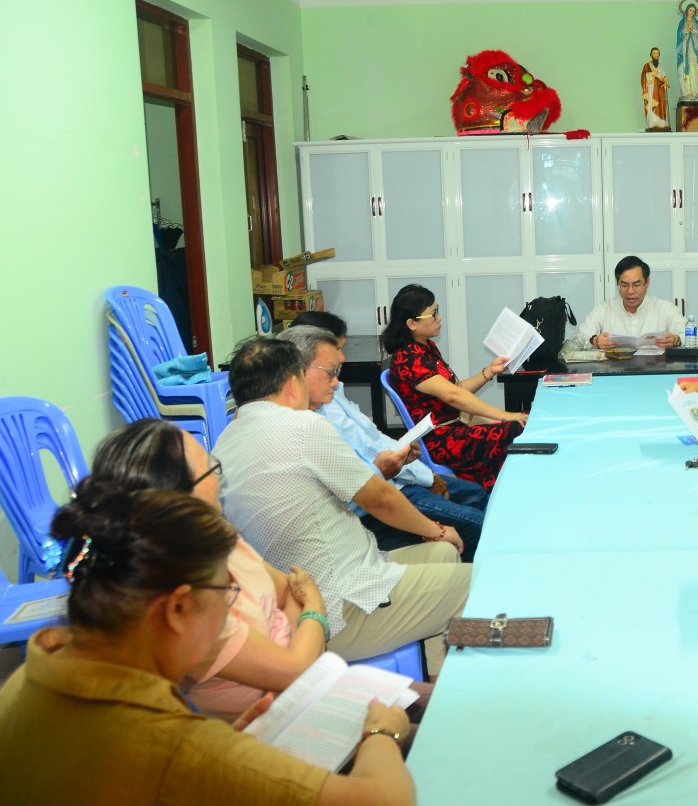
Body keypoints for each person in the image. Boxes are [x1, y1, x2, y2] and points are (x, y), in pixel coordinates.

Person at [0, 481, 416, 806]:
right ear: (178, 608)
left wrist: (230, 746)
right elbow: (385, 799)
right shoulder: (171, 747)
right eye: (226, 593)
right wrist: (381, 733)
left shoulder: (33, 674)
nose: (230, 603)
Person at [215, 336, 471, 662]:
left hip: (299, 604)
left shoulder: (225, 441)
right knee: (477, 583)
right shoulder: (304, 426)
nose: (333, 383)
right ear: (293, 383)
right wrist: (436, 529)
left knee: (444, 554)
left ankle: (433, 677)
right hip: (340, 607)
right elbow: (378, 498)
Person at [89, 418, 327, 721]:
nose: (219, 479)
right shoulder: (186, 602)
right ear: (180, 498)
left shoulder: (219, 536)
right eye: (210, 470)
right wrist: (314, 609)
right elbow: (296, 664)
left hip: (296, 696)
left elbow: (286, 591)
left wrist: (291, 659)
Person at [281, 322, 487, 561]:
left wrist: (412, 466)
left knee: (477, 496)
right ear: (296, 373)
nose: (336, 380)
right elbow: (360, 497)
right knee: (478, 526)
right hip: (374, 507)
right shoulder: (306, 428)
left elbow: (373, 439)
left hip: (393, 482)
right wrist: (432, 515)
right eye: (331, 371)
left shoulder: (328, 399)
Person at [384, 284, 529, 491]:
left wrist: (489, 371)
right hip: (441, 440)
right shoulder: (409, 359)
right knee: (516, 428)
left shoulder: (425, 347)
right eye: (433, 314)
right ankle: (505, 492)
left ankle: (502, 490)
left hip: (455, 427)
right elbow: (453, 396)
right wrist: (504, 415)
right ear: (412, 323)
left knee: (523, 422)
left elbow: (456, 389)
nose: (439, 318)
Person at [573, 256, 686, 349]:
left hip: (655, 368)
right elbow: (576, 339)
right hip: (614, 368)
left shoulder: (665, 309)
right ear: (618, 284)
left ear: (647, 283)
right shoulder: (603, 310)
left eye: (636, 285)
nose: (630, 291)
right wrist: (595, 341)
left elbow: (692, 338)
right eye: (624, 285)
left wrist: (676, 340)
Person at [676, 0, 698, 99]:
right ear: (687, 10)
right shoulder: (682, 23)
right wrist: (686, 31)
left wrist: (694, 32)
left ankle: (696, 91)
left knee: (696, 67)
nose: (692, 12)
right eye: (690, 10)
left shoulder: (696, 23)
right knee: (685, 65)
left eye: (693, 11)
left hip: (695, 47)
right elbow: (679, 35)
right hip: (685, 47)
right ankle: (687, 92)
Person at [641, 47, 669, 131]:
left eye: (657, 53)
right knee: (652, 104)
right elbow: (643, 77)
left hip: (660, 88)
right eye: (654, 53)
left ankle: (662, 122)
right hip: (651, 89)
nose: (656, 55)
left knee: (662, 103)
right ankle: (653, 122)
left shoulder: (661, 66)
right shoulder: (647, 66)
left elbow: (664, 76)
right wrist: (650, 74)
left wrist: (665, 80)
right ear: (651, 55)